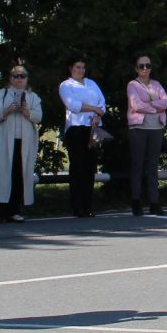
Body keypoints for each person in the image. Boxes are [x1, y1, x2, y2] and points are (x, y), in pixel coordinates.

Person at [0, 63, 43, 223]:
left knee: (19, 175)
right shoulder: (1, 94)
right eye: (16, 76)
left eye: (22, 76)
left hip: (24, 143)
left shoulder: (32, 97)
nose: (19, 79)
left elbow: (38, 116)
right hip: (4, 141)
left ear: (27, 79)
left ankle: (13, 210)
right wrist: (7, 110)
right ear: (10, 79)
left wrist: (27, 112)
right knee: (2, 174)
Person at [58, 56, 106, 218]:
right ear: (71, 68)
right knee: (78, 167)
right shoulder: (66, 85)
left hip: (93, 128)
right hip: (77, 129)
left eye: (83, 67)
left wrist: (98, 115)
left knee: (90, 167)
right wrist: (94, 108)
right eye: (77, 67)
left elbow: (102, 102)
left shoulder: (91, 83)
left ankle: (88, 205)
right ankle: (77, 205)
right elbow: (74, 105)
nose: (80, 70)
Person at [124, 53, 167, 216]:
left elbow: (166, 101)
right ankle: (136, 200)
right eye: (141, 66)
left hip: (156, 128)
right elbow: (136, 105)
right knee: (137, 165)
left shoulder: (156, 84)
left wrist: (150, 105)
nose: (145, 69)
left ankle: (154, 202)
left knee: (152, 166)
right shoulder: (132, 85)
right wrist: (156, 108)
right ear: (136, 68)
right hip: (139, 128)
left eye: (148, 66)